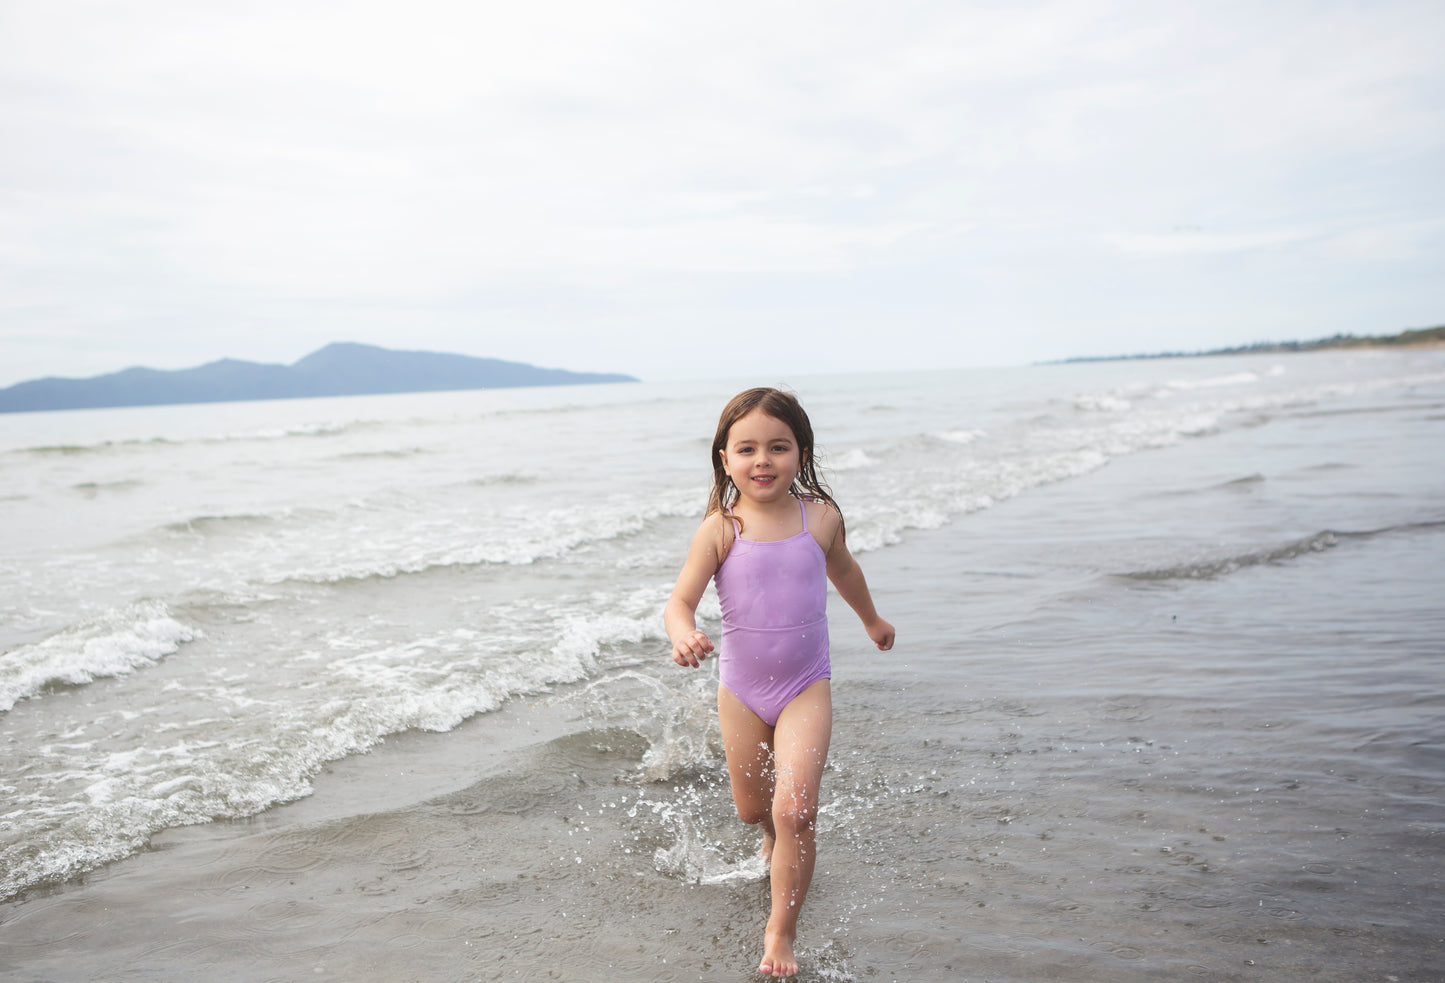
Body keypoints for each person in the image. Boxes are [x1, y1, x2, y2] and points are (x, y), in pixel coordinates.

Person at [665, 387, 895, 978]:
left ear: (800, 452)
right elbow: (679, 601)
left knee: (795, 810)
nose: (762, 460)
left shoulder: (819, 517)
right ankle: (770, 837)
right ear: (725, 458)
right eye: (747, 449)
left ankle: (780, 934)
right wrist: (682, 632)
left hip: (804, 685)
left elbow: (844, 569)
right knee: (753, 811)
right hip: (741, 691)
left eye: (778, 447)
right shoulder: (721, 528)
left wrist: (871, 619)